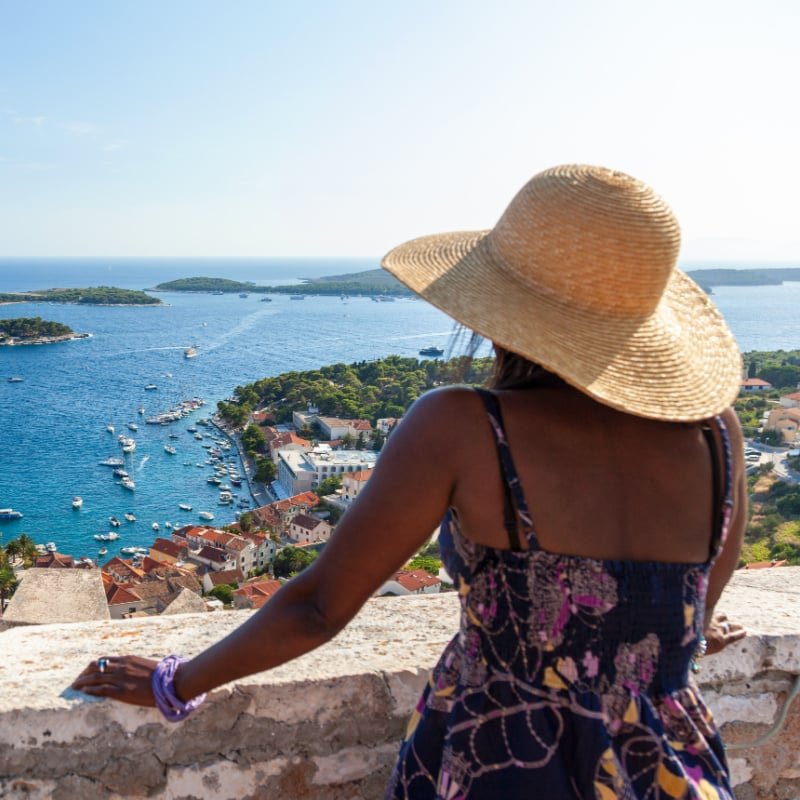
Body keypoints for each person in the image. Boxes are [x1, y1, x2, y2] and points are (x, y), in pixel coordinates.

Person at [74, 164, 747, 798]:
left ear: (504, 307)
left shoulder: (464, 427)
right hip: (668, 763)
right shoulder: (717, 436)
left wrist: (175, 680)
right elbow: (691, 618)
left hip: (505, 760)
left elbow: (319, 607)